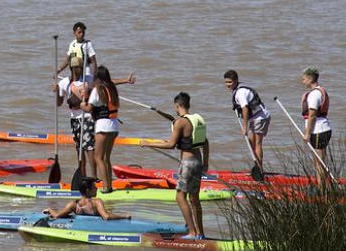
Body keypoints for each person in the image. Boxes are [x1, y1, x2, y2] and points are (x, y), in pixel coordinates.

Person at [140, 92, 208, 239]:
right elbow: (206, 142)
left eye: (175, 107)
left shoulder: (180, 122)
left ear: (177, 106)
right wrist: (206, 163)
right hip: (198, 161)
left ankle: (191, 232)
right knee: (194, 199)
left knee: (180, 197)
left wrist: (148, 143)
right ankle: (200, 233)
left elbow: (171, 144)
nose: (175, 110)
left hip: (188, 164)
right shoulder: (196, 119)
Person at [55, 63, 135, 180]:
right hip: (74, 120)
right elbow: (59, 103)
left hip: (88, 118)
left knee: (91, 149)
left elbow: (107, 82)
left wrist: (125, 80)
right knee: (79, 148)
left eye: (81, 67)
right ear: (71, 68)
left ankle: (94, 177)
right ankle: (82, 175)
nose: (79, 69)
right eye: (77, 67)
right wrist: (57, 91)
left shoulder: (88, 79)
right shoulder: (64, 82)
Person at [80, 66, 121, 193]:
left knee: (98, 158)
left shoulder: (97, 90)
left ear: (97, 78)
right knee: (106, 158)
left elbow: (90, 108)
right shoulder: (112, 88)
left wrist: (82, 105)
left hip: (103, 126)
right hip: (114, 126)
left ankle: (105, 187)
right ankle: (109, 185)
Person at [224, 70, 270, 168]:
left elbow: (245, 108)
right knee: (251, 142)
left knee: (257, 143)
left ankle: (259, 170)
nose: (228, 84)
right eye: (226, 82)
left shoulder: (240, 92)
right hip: (254, 118)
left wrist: (244, 127)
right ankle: (256, 167)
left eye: (230, 82)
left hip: (261, 117)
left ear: (236, 81)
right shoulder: (237, 90)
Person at [44, 177, 130, 220]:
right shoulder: (96, 202)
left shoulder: (74, 204)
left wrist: (50, 210)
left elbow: (57, 215)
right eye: (94, 187)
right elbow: (106, 216)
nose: (96, 189)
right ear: (88, 190)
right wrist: (124, 216)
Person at [300, 67, 331, 186]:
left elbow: (312, 115)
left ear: (309, 79)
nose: (302, 82)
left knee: (319, 163)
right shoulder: (320, 91)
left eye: (303, 79)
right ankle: (323, 186)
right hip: (322, 129)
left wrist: (307, 133)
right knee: (319, 161)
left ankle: (322, 190)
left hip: (318, 131)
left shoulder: (314, 95)